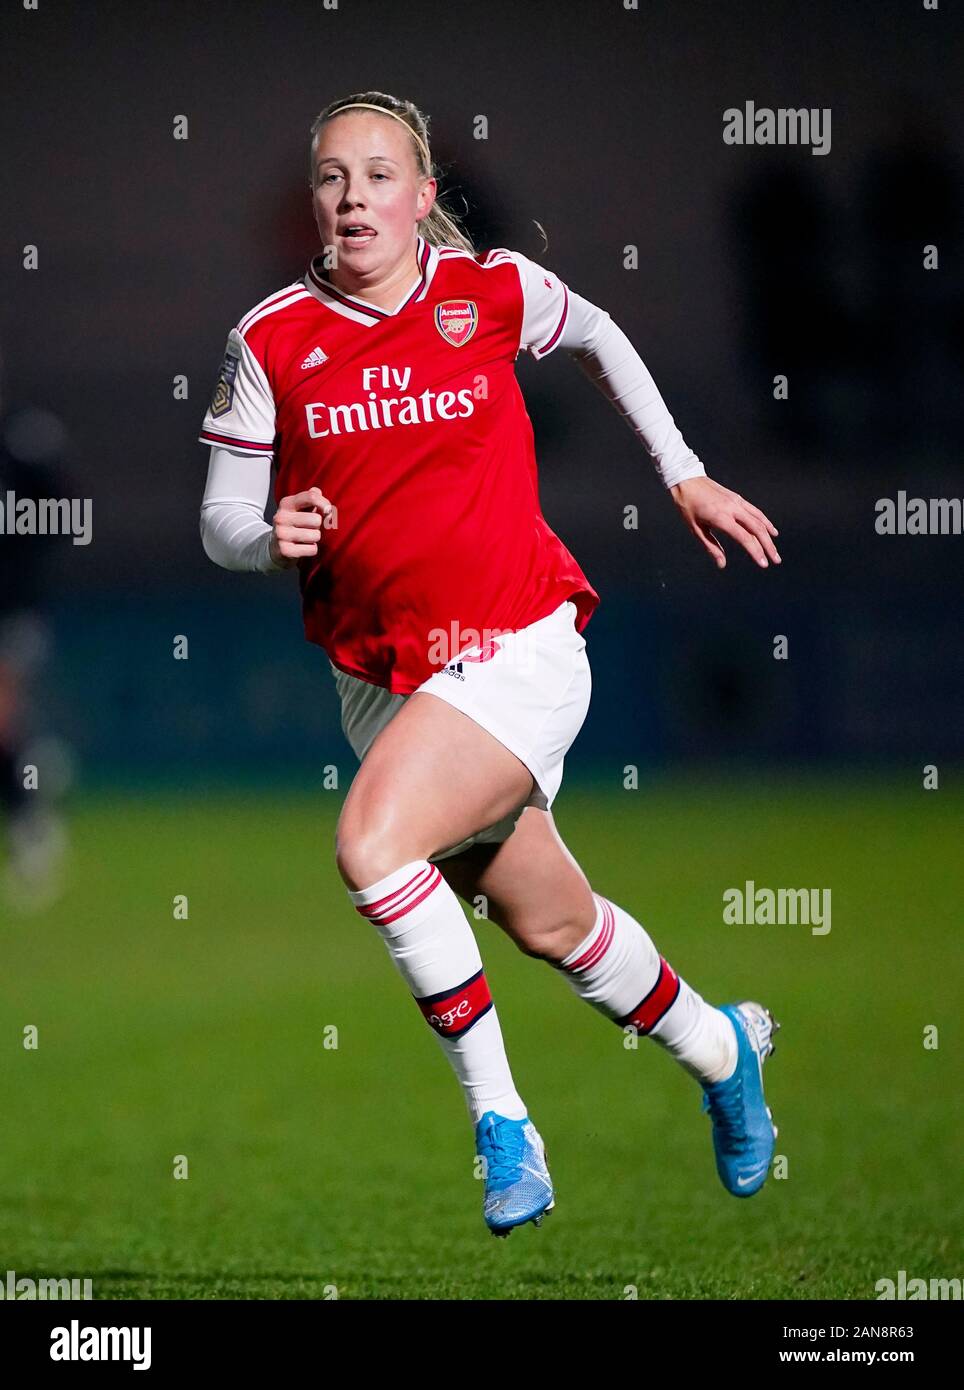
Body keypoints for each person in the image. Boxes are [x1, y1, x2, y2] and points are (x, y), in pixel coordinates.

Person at [199, 91, 782, 1237]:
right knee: (549, 925)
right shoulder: (267, 338)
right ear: (314, 202)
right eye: (331, 178)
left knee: (370, 848)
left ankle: (503, 1124)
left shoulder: (490, 291)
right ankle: (723, 1051)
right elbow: (219, 521)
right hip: (380, 681)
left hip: (518, 643)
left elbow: (602, 335)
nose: (352, 196)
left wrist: (682, 470)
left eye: (377, 175)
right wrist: (272, 535)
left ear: (423, 198)